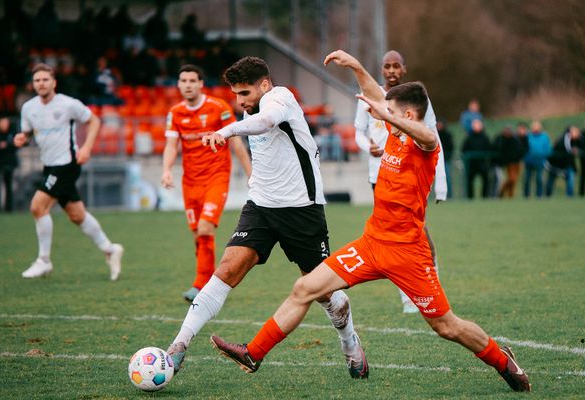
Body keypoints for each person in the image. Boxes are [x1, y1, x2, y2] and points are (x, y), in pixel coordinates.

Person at [210, 50, 531, 393]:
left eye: (391, 113)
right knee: (304, 289)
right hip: (371, 244)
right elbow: (378, 96)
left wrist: (386, 115)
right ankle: (253, 353)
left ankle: (502, 359)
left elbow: (426, 135)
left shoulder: (425, 144)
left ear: (407, 114)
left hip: (408, 253)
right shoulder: (395, 128)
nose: (383, 117)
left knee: (446, 325)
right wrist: (357, 67)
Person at [166, 56, 367, 380]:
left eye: (245, 93)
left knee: (324, 291)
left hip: (302, 210)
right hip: (260, 206)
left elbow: (266, 122)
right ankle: (178, 347)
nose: (240, 101)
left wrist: (226, 130)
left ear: (264, 84)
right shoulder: (249, 108)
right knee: (227, 269)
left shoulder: (280, 98)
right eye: (235, 95)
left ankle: (349, 343)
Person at [353, 50, 447, 314]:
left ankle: (430, 281)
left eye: (396, 66)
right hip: (380, 175)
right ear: (381, 70)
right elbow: (358, 131)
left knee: (417, 230)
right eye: (387, 66)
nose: (391, 71)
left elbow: (431, 138)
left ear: (404, 69)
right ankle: (407, 296)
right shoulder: (368, 97)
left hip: (411, 174)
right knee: (390, 235)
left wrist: (441, 183)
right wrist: (367, 146)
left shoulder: (416, 100)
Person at [14, 63, 124, 280]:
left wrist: (87, 148)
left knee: (38, 206)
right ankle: (110, 250)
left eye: (45, 79)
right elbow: (27, 133)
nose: (41, 84)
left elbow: (94, 121)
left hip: (67, 164)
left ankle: (43, 260)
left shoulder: (67, 104)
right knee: (76, 214)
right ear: (33, 84)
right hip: (49, 165)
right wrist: (22, 138)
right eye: (37, 80)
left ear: (53, 82)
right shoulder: (29, 108)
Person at [161, 64, 252, 302]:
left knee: (205, 228)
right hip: (189, 181)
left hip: (216, 176)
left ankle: (202, 284)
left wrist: (251, 173)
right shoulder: (176, 112)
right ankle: (210, 281)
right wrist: (166, 170)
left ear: (201, 83)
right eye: (183, 80)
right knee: (198, 237)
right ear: (178, 84)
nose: (188, 85)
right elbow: (171, 145)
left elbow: (235, 142)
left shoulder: (218, 108)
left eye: (192, 80)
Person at [0, 116, 18, 212]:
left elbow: (15, 145)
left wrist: (6, 145)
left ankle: (9, 209)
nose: (5, 125)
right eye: (3, 122)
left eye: (6, 122)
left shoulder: (12, 132)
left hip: (9, 163)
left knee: (9, 186)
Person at [545, 126, 580, 197]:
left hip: (567, 164)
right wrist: (572, 150)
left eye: (577, 131)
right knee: (551, 180)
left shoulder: (578, 139)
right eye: (574, 131)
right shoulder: (564, 138)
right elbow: (568, 149)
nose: (577, 133)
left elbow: (581, 145)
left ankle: (570, 196)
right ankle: (547, 196)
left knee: (570, 178)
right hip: (555, 164)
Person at [462, 119, 491, 199]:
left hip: (482, 164)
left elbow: (489, 149)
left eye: (478, 125)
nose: (477, 127)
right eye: (475, 125)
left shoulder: (485, 138)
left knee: (486, 180)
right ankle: (470, 197)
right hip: (471, 164)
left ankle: (485, 197)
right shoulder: (469, 138)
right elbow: (464, 149)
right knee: (469, 181)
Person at [523, 120, 551, 198]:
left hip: (540, 160)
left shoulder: (545, 136)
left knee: (539, 178)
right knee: (527, 178)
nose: (535, 128)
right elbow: (524, 147)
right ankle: (526, 196)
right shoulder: (528, 136)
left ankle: (539, 195)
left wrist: (543, 155)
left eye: (537, 127)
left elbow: (548, 149)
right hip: (529, 160)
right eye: (534, 127)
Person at [493, 126, 523, 198]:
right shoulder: (501, 139)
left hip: (516, 162)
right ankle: (502, 191)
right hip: (509, 163)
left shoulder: (515, 140)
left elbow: (520, 150)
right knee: (512, 179)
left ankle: (510, 194)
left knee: (514, 180)